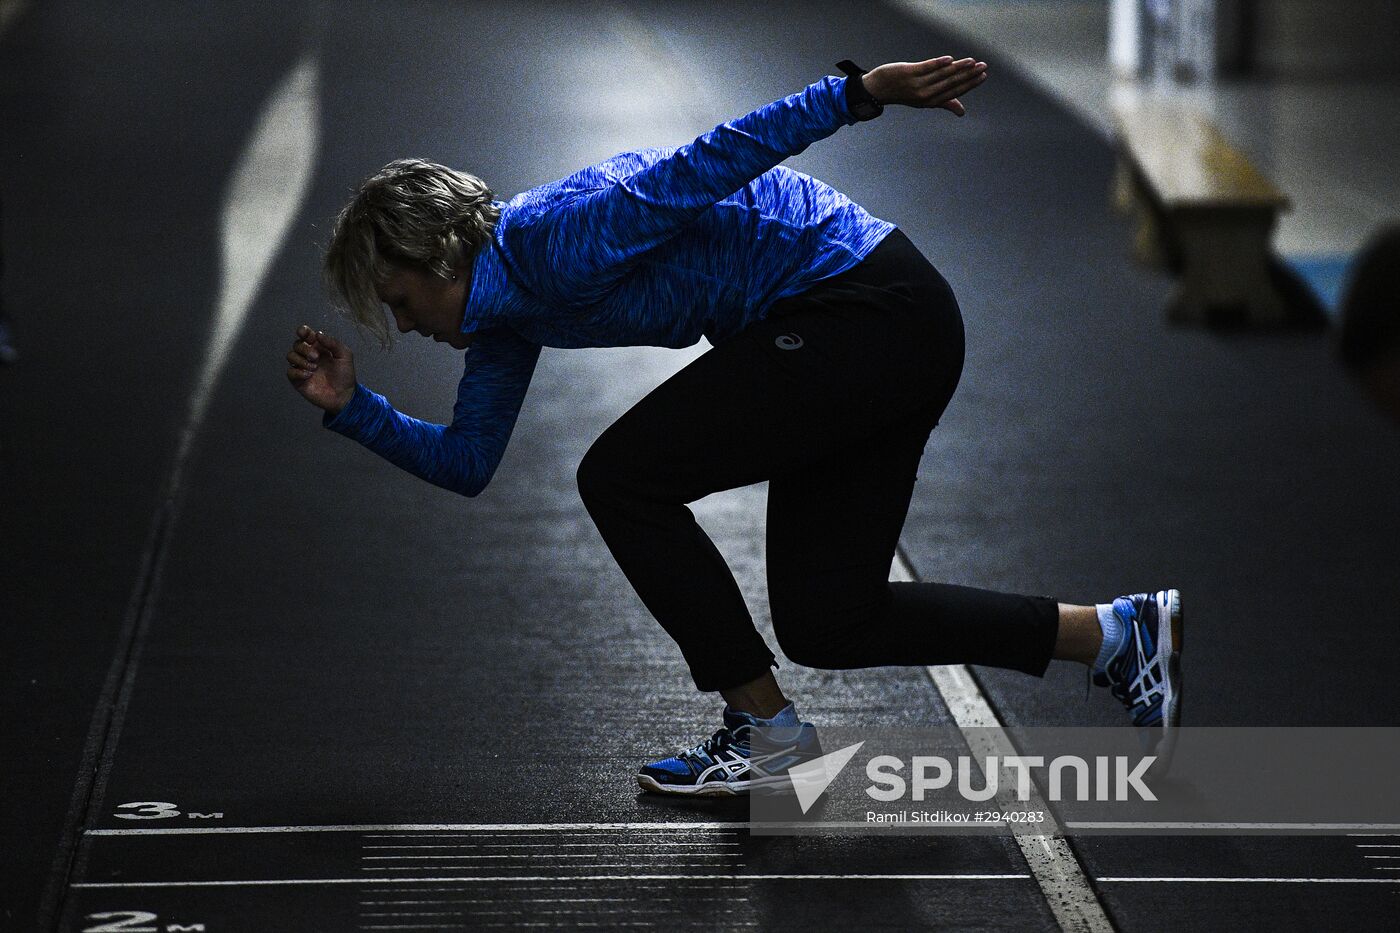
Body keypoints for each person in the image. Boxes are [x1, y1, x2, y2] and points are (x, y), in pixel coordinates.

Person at [287, 55, 1183, 795]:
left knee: (621, 474)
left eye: (399, 302)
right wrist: (354, 410)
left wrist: (859, 93)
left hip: (866, 309)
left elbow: (711, 158)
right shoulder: (505, 316)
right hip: (872, 330)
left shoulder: (555, 240)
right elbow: (468, 460)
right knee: (829, 620)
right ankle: (1112, 633)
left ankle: (767, 732)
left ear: (438, 254)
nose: (403, 327)